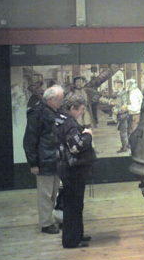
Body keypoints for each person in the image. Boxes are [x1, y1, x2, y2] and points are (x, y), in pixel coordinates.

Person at [54, 93, 96, 248]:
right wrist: (87, 135)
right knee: (73, 206)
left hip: (65, 168)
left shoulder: (60, 119)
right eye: (81, 109)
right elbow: (76, 147)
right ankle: (72, 240)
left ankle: (76, 235)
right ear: (72, 108)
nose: (82, 113)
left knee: (74, 205)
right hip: (73, 171)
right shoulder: (70, 124)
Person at [23, 84, 64, 234]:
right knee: (46, 194)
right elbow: (30, 140)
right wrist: (33, 163)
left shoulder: (55, 111)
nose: (61, 102)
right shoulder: (37, 113)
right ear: (50, 99)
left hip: (55, 159)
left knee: (54, 193)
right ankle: (46, 223)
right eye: (59, 99)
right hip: (44, 160)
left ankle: (53, 219)